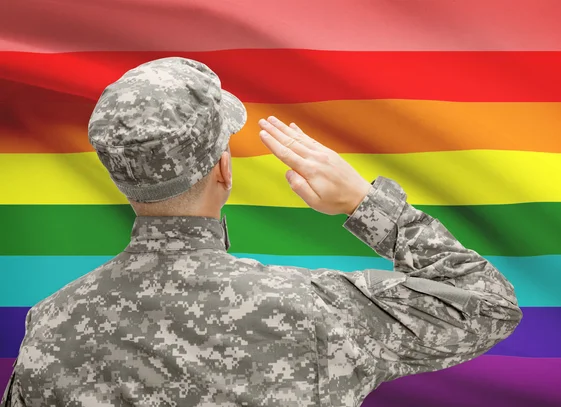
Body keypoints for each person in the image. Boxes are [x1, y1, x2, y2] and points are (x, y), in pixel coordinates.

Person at [1, 57, 522, 407]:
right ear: (223, 168)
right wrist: (367, 204)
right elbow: (488, 304)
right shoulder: (318, 310)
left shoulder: (50, 325)